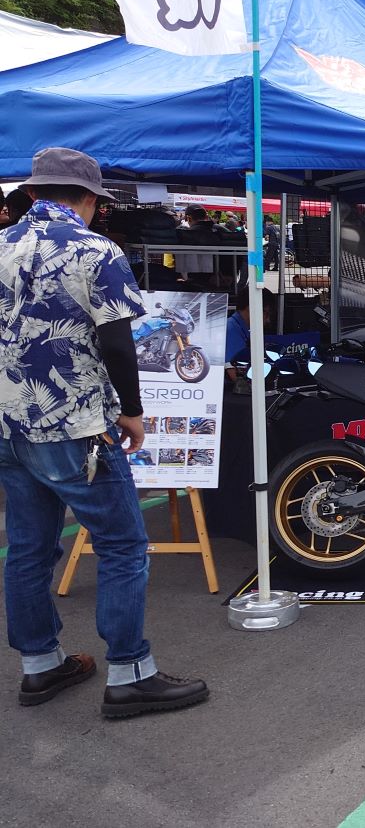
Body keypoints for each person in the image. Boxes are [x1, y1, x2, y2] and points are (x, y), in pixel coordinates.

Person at [0, 147, 209, 716]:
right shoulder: (95, 250)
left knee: (28, 549)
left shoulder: (2, 243)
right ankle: (129, 674)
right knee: (121, 546)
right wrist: (132, 411)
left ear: (34, 192)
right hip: (75, 423)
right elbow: (117, 341)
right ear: (91, 199)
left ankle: (39, 666)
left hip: (9, 424)